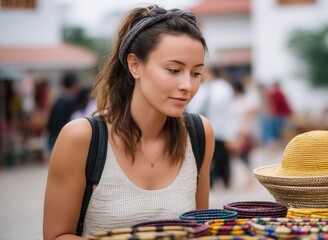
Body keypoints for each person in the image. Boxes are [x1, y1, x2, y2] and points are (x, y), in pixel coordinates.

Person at [43, 5, 215, 239]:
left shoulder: (199, 133)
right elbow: (56, 235)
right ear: (135, 65)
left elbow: (200, 231)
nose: (188, 85)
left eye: (196, 73)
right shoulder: (82, 138)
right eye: (174, 70)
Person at [46, 72, 80, 155]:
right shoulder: (70, 101)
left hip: (53, 137)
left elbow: (49, 123)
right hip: (61, 139)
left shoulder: (58, 100)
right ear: (74, 84)